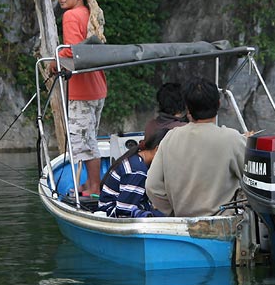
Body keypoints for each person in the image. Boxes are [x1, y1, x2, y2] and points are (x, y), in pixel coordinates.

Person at [145, 77, 246, 217]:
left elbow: (152, 186)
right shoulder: (233, 139)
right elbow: (254, 182)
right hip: (224, 227)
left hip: (184, 226)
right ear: (218, 104)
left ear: (187, 109)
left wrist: (173, 211)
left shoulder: (170, 138)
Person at [51, 0, 108, 196]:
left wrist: (54, 62)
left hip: (82, 90)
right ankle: (89, 183)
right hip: (98, 87)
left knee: (85, 143)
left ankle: (94, 187)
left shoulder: (71, 15)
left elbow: (73, 50)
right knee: (89, 137)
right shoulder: (89, 14)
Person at [97, 127, 169, 218]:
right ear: (158, 150)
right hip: (112, 213)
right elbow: (124, 211)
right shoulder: (137, 172)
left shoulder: (136, 159)